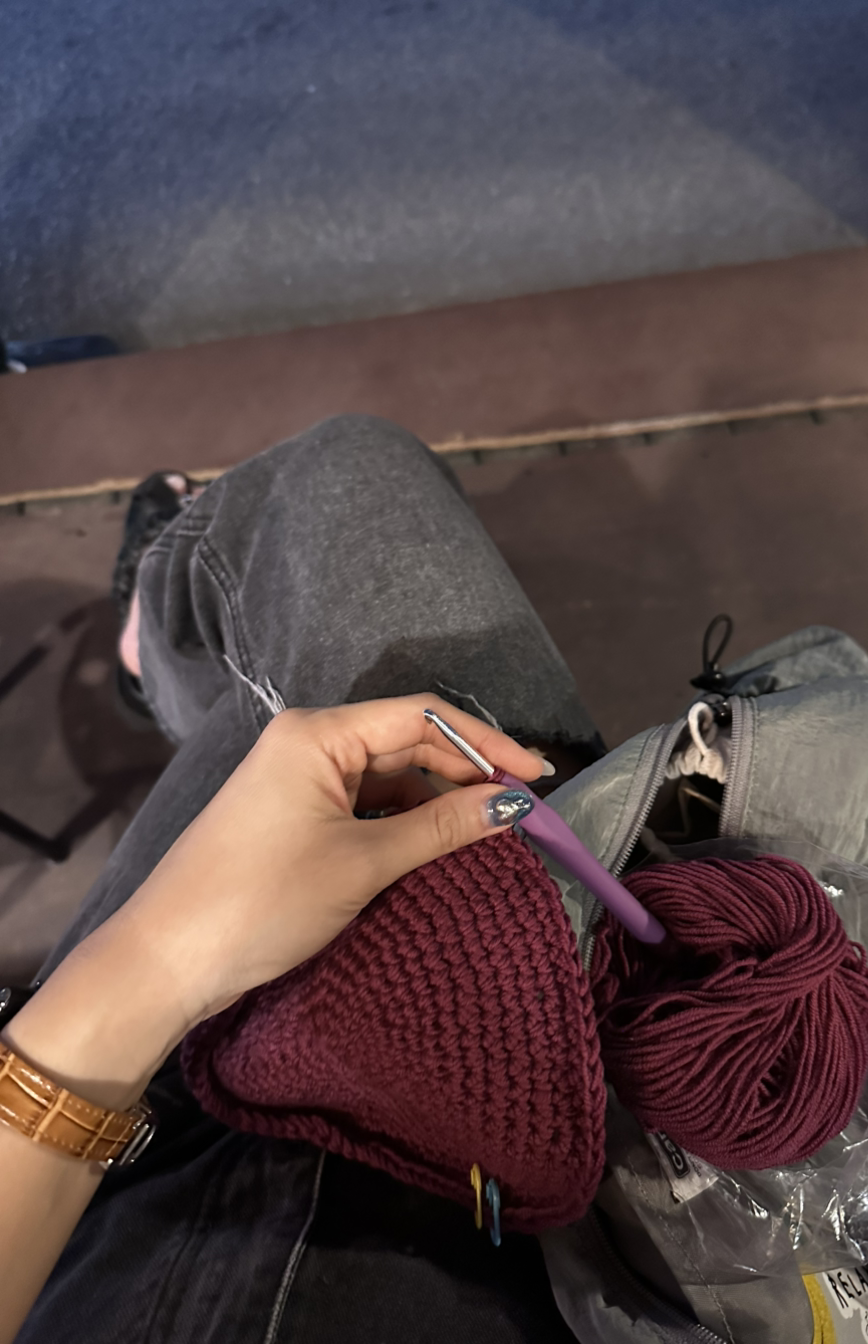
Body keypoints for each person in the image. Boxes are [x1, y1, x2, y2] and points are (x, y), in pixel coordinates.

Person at [0, 415, 606, 1344]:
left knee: (350, 565)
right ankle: (167, 651)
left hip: (133, 1215)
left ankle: (157, 651)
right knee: (360, 524)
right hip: (468, 1224)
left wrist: (158, 967)